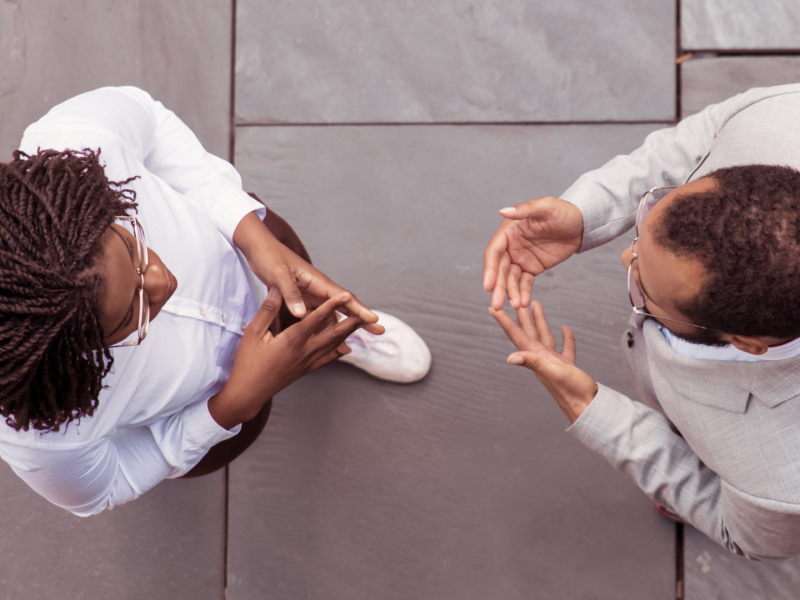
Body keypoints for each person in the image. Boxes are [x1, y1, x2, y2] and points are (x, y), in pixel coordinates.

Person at [0, 86, 431, 516]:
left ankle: (331, 333)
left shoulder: (74, 141)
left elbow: (150, 120)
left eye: (133, 246)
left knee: (299, 271)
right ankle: (312, 346)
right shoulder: (39, 428)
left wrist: (250, 233)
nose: (162, 281)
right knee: (248, 425)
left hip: (245, 254)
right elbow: (108, 484)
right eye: (133, 315)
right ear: (68, 358)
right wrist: (230, 407)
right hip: (214, 399)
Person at [483, 83, 800, 561]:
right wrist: (585, 213)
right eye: (654, 213)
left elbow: (734, 528)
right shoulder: (778, 117)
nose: (625, 256)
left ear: (748, 343)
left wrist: (588, 405)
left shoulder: (780, 482)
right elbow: (695, 143)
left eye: (643, 289)